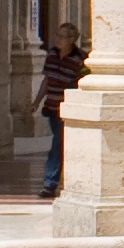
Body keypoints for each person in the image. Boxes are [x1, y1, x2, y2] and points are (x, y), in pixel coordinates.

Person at [36, 22, 86, 196]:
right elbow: (47, 80)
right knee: (60, 145)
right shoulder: (52, 54)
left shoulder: (80, 58)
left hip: (67, 109)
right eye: (57, 35)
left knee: (56, 146)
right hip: (51, 107)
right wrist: (37, 101)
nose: (57, 39)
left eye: (61, 36)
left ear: (71, 40)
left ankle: (50, 183)